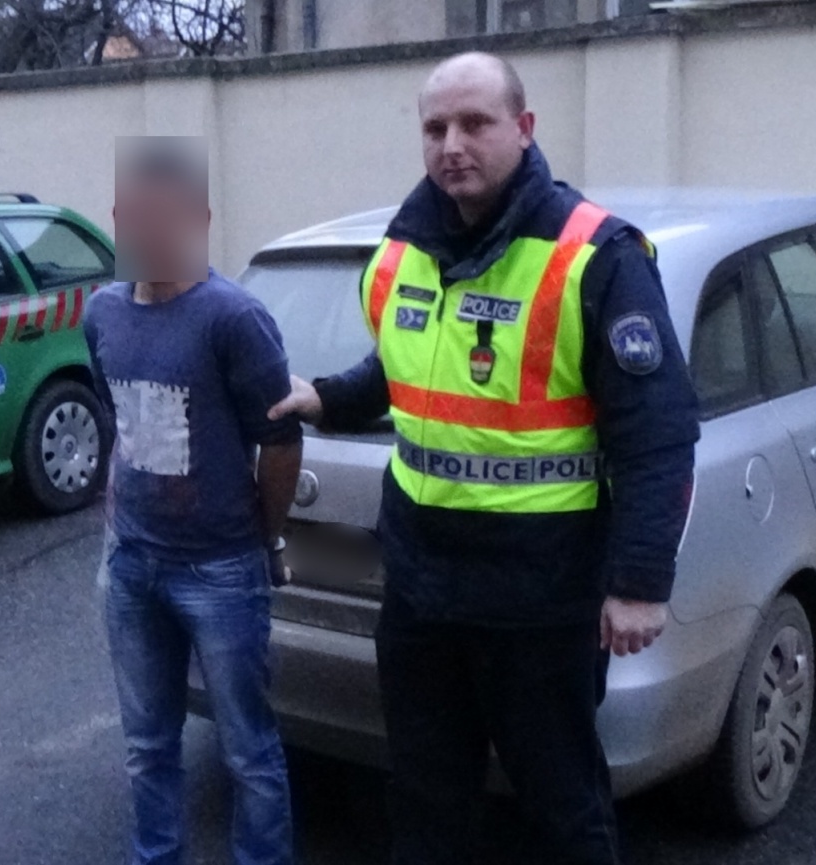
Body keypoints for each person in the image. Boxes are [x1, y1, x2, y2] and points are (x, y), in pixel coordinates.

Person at [268, 53, 700, 864]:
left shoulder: (596, 256)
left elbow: (657, 432)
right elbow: (404, 367)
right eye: (435, 128)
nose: (452, 145)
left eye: (475, 123)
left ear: (524, 128)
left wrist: (640, 583)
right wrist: (327, 396)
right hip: (422, 588)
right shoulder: (403, 249)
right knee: (425, 798)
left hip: (541, 598)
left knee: (562, 806)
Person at [85, 136, 303, 865]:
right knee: (147, 745)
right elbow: (120, 415)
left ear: (199, 220)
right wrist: (118, 514)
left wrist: (265, 539)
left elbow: (280, 441)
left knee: (248, 752)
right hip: (131, 564)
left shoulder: (233, 318)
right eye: (134, 215)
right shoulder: (103, 312)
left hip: (220, 571)